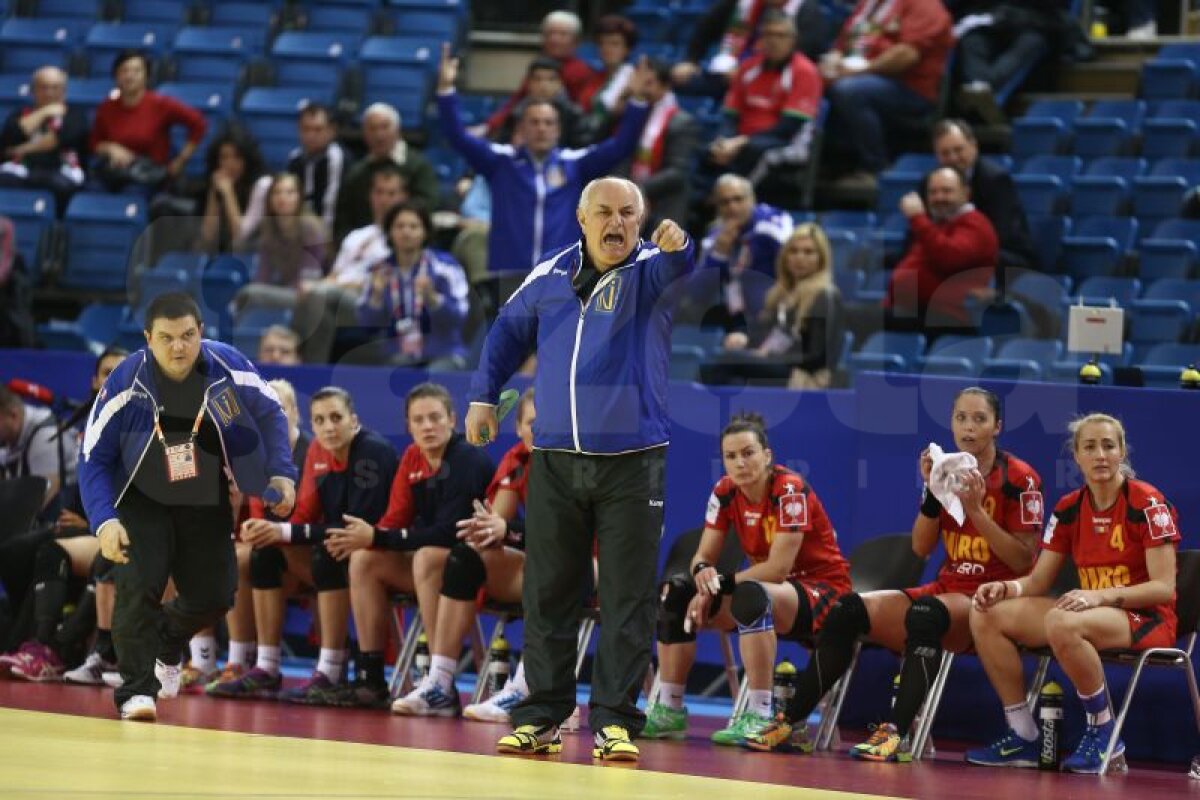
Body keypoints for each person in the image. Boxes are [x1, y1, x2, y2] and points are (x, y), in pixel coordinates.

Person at [465, 177, 693, 761]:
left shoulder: (650, 269)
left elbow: (680, 265)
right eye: (604, 213)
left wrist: (679, 244)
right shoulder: (548, 275)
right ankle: (542, 715)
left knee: (626, 595)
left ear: (640, 221)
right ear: (582, 218)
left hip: (632, 463)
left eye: (628, 214)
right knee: (548, 592)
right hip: (556, 459)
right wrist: (482, 396)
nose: (616, 223)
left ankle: (615, 720)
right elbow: (506, 332)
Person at [746, 387, 1043, 760]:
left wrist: (977, 513)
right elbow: (920, 547)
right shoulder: (947, 470)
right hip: (950, 589)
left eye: (979, 419)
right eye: (961, 418)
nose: (968, 428)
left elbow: (1022, 560)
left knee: (925, 614)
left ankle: (896, 733)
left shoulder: (1020, 478)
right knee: (847, 610)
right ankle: (790, 722)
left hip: (994, 600)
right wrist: (932, 493)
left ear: (997, 427)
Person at [77, 291, 297, 721]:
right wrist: (104, 520)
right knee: (139, 586)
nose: (178, 347)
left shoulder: (226, 365)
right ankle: (137, 692)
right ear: (148, 339)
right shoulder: (125, 381)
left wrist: (282, 472)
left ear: (201, 333)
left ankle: (167, 640)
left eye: (187, 336)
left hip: (204, 493)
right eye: (167, 338)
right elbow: (92, 458)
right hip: (141, 497)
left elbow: (271, 411)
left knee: (215, 595)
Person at [966, 414, 1180, 774]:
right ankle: (1022, 734)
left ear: (1122, 451)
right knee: (986, 612)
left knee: (1062, 622)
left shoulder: (1147, 502)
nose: (1100, 455)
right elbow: (1037, 582)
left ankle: (1104, 733)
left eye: (1109, 446)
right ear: (1076, 456)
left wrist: (1100, 596)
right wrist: (1008, 588)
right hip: (1088, 610)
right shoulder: (1068, 507)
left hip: (1146, 617)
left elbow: (1164, 587)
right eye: (1090, 447)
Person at [642, 412, 851, 744]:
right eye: (731, 456)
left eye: (748, 453)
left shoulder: (790, 490)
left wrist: (718, 585)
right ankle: (669, 709)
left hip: (822, 591)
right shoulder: (725, 492)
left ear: (767, 456)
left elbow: (778, 569)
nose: (740, 462)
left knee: (752, 594)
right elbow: (703, 556)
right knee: (675, 594)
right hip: (769, 592)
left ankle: (759, 714)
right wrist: (701, 574)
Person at [210, 385, 398, 707]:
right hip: (338, 548)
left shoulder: (373, 452)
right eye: (321, 419)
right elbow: (307, 513)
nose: (328, 427)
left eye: (336, 418)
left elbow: (357, 526)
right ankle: (266, 665)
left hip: (380, 551)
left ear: (354, 421)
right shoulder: (318, 453)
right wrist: (272, 531)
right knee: (264, 554)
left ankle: (332, 670)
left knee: (327, 554)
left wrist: (283, 531)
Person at [328, 382, 494, 708]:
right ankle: (371, 677)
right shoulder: (413, 458)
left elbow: (451, 533)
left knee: (427, 557)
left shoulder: (468, 459)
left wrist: (378, 536)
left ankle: (440, 683)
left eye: (435, 417)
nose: (427, 426)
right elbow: (395, 519)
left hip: (474, 564)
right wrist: (373, 538)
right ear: (408, 426)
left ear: (453, 420)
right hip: (435, 562)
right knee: (364, 560)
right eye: (418, 420)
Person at [437, 44, 652, 274]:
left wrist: (637, 101)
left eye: (548, 123)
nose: (542, 129)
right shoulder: (501, 162)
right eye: (534, 122)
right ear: (521, 127)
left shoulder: (575, 163)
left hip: (561, 274)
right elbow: (458, 137)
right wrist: (446, 91)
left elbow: (621, 146)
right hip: (510, 271)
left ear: (558, 130)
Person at [392, 388, 536, 718]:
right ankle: (440, 682)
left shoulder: (575, 463)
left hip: (586, 565)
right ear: (518, 428)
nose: (537, 430)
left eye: (544, 423)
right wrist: (488, 530)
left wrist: (510, 531)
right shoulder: (517, 461)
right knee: (461, 556)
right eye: (530, 423)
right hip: (533, 558)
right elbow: (493, 526)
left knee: (548, 563)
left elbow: (568, 536)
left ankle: (525, 688)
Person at [0, 347, 126, 678]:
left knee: (91, 555)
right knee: (21, 551)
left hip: (121, 529)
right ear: (93, 380)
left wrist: (92, 523)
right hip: (86, 524)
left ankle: (54, 646)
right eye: (105, 372)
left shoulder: (140, 426)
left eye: (119, 372)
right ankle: (34, 643)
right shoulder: (89, 425)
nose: (110, 380)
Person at [820, 0, 953, 186]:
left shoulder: (925, 6)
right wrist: (832, 62)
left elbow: (906, 55)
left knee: (850, 91)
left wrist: (857, 72)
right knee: (810, 81)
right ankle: (821, 167)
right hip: (859, 74)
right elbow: (842, 44)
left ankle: (875, 168)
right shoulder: (868, 4)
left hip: (908, 89)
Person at [702, 223, 844, 389]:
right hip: (776, 365)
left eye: (808, 252)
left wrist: (768, 356)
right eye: (794, 251)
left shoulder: (824, 295)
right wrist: (744, 339)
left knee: (729, 362)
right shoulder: (780, 295)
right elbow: (765, 335)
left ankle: (713, 413)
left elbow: (815, 356)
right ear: (785, 257)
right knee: (714, 362)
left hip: (803, 376)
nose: (800, 257)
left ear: (821, 259)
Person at [294, 164, 407, 364]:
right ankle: (299, 361)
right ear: (371, 196)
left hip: (372, 303)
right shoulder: (357, 236)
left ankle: (311, 366)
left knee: (319, 295)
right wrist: (318, 285)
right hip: (336, 297)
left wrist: (325, 287)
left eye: (391, 193)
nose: (384, 200)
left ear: (402, 197)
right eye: (380, 192)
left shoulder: (402, 237)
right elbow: (335, 274)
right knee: (306, 295)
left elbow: (377, 284)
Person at [704, 12, 823, 180]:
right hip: (742, 138)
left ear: (793, 40)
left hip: (786, 141)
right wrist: (725, 140)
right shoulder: (747, 68)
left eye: (780, 35)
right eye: (768, 34)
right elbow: (730, 116)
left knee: (753, 151)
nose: (773, 41)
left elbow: (788, 127)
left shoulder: (804, 71)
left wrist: (741, 142)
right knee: (709, 151)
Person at [352, 201, 470, 370]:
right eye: (399, 226)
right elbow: (367, 326)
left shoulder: (445, 267)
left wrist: (433, 299)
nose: (406, 232)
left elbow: (459, 318)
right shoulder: (378, 271)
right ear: (390, 232)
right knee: (393, 373)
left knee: (433, 378)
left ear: (425, 232)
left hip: (444, 352)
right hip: (398, 354)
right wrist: (376, 297)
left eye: (413, 226)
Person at [884, 166, 998, 336]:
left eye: (947, 191)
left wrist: (918, 218)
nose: (939, 198)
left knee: (856, 318)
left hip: (947, 318)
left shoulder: (975, 224)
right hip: (915, 312)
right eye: (933, 192)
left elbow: (949, 257)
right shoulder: (939, 225)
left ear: (966, 193)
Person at [931, 119, 1037, 293]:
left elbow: (1001, 237)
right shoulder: (933, 182)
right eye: (945, 153)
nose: (953, 158)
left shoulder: (995, 180)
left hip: (1005, 257)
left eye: (958, 150)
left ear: (974, 146)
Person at [679, 174, 793, 329]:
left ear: (752, 199)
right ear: (718, 208)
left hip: (775, 314)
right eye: (725, 202)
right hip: (735, 319)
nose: (732, 207)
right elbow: (697, 295)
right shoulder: (716, 236)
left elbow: (795, 270)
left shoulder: (772, 224)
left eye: (738, 199)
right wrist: (719, 254)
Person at [89, 50, 206, 192]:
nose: (129, 76)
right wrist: (110, 148)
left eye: (136, 71)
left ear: (146, 76)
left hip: (149, 177)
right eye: (124, 71)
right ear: (116, 76)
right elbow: (94, 143)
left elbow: (198, 124)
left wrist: (180, 161)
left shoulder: (161, 104)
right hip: (115, 175)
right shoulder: (107, 106)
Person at [673, 0, 828, 98]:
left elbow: (800, 54)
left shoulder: (807, 11)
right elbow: (705, 29)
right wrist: (690, 60)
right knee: (675, 78)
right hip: (727, 72)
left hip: (774, 79)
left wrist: (745, 72)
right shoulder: (741, 4)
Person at [331, 103, 438, 246]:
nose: (379, 135)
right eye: (372, 129)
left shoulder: (418, 166)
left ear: (398, 130)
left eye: (384, 127)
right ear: (364, 133)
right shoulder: (357, 173)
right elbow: (343, 218)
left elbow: (427, 207)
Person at [484, 11, 597, 138]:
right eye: (551, 33)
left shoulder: (582, 72)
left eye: (562, 34)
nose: (555, 39)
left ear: (576, 41)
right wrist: (490, 126)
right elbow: (515, 103)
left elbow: (584, 115)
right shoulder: (537, 67)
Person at [625, 58, 699, 234]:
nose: (643, 89)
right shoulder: (633, 114)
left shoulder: (682, 122)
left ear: (665, 87)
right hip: (631, 201)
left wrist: (638, 190)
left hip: (664, 204)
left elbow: (677, 172)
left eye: (649, 83)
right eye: (640, 82)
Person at [234, 172, 328, 312]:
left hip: (313, 295)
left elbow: (309, 277)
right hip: (285, 292)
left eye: (290, 192)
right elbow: (262, 276)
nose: (283, 198)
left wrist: (268, 293)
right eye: (277, 192)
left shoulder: (311, 229)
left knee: (251, 294)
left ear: (299, 198)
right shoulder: (268, 230)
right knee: (251, 296)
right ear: (270, 199)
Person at [0, 66, 88, 212]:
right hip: (23, 169)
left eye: (55, 87)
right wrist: (44, 112)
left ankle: (56, 230)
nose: (49, 93)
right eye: (43, 87)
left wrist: (20, 149)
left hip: (60, 170)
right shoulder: (19, 114)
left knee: (59, 185)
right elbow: (12, 133)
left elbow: (54, 141)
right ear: (33, 90)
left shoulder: (74, 116)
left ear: (64, 91)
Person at [195, 126, 267, 255]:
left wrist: (228, 195)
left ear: (246, 160)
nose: (230, 163)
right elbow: (207, 240)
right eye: (224, 157)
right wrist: (214, 194)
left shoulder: (260, 188)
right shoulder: (212, 184)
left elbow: (241, 239)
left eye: (237, 157)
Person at [495, 59, 584, 149]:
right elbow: (501, 147)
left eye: (551, 79)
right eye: (538, 79)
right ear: (529, 83)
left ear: (560, 84)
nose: (543, 85)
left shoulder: (573, 116)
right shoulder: (516, 114)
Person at [579, 15, 638, 140]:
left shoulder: (634, 80)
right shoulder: (593, 77)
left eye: (614, 44)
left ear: (627, 49)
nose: (606, 49)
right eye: (602, 43)